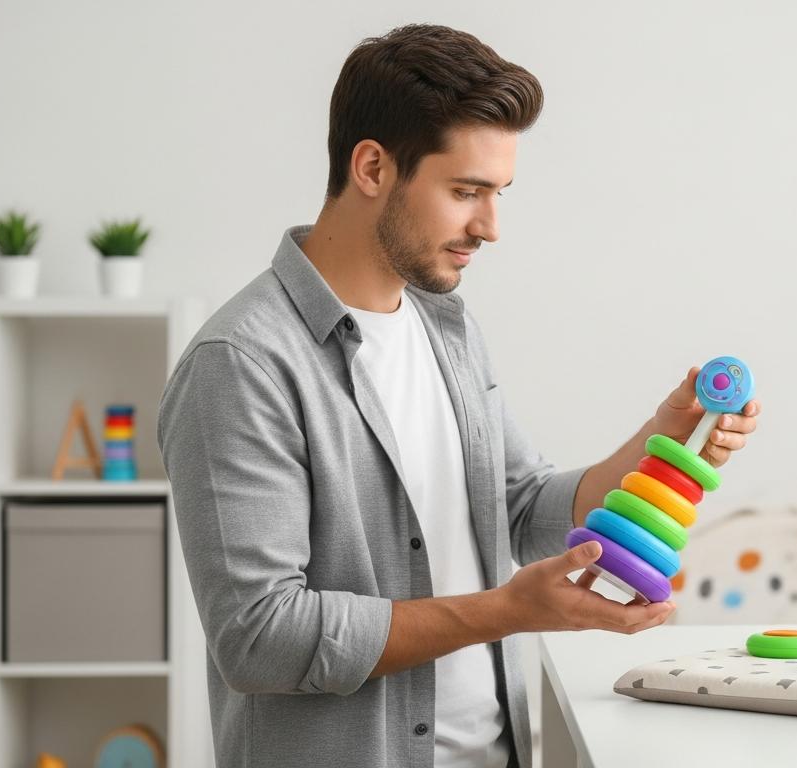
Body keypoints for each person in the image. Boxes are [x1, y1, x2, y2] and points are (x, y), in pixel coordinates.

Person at [157, 24, 759, 768]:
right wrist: (508, 611)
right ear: (373, 166)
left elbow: (520, 506)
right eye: (466, 191)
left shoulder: (446, 327)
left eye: (498, 193)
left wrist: (662, 436)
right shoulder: (242, 363)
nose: (491, 226)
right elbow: (259, 638)